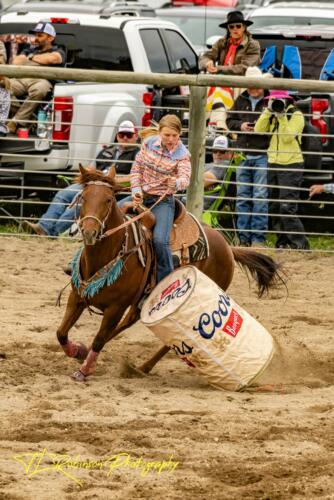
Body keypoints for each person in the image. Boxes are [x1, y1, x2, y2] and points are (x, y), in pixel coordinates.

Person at [22, 120, 139, 236]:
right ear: (117, 136)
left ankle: (52, 232)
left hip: (109, 189)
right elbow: (91, 167)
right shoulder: (107, 150)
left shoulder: (137, 155)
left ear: (136, 136)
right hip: (91, 183)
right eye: (121, 134)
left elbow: (133, 178)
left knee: (81, 203)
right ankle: (44, 227)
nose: (124, 138)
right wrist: (87, 173)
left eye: (128, 135)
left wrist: (108, 180)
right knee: (62, 195)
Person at [120, 114, 191, 283]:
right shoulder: (148, 144)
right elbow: (136, 169)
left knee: (160, 240)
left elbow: (185, 179)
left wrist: (176, 183)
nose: (171, 139)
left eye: (175, 135)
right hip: (141, 197)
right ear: (159, 132)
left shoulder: (182, 154)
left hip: (163, 202)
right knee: (108, 216)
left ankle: (165, 282)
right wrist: (136, 190)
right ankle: (80, 262)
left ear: (179, 135)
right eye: (167, 135)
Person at [255, 90, 310, 250]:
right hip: (273, 163)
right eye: (273, 100)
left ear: (287, 101)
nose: (277, 103)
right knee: (274, 206)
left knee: (287, 207)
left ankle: (300, 245)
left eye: (280, 100)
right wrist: (268, 111)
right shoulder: (271, 114)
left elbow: (287, 137)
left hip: (292, 164)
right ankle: (283, 242)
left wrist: (282, 117)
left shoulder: (296, 115)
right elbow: (258, 130)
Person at [226, 66, 272, 247]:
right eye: (250, 85)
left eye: (256, 85)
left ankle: (257, 238)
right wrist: (241, 125)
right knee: (243, 196)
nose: (253, 88)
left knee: (259, 196)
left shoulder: (270, 101)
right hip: (243, 154)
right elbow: (230, 120)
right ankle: (244, 238)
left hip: (262, 153)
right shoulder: (241, 99)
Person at [7, 22, 66, 134]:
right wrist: (35, 57)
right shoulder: (30, 48)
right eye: (36, 35)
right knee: (3, 85)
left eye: (40, 35)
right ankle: (27, 119)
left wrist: (30, 57)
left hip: (43, 81)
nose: (36, 38)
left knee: (39, 90)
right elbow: (16, 62)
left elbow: (53, 59)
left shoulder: (59, 49)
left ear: (50, 38)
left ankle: (15, 122)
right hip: (22, 79)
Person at [199, 10, 261, 76]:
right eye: (231, 27)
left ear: (244, 28)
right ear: (228, 29)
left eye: (238, 26)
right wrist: (207, 63)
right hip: (221, 80)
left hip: (241, 83)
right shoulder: (222, 42)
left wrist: (219, 69)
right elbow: (204, 57)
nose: (235, 29)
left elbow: (245, 67)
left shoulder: (252, 45)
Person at [203, 135, 234, 211]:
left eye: (222, 151)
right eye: (215, 151)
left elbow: (200, 181)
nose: (217, 154)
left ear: (230, 153)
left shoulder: (224, 165)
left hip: (196, 205)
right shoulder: (209, 164)